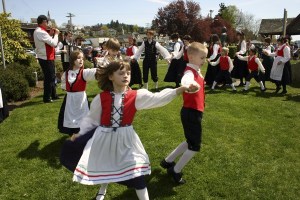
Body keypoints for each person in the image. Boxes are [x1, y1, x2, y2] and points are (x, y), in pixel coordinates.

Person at [60, 61, 198, 200]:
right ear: (110, 76)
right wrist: (80, 134)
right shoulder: (101, 98)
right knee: (106, 164)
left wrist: (180, 89)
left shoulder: (136, 96)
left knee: (137, 175)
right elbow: (91, 120)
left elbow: (158, 98)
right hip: (103, 138)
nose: (126, 76)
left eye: (128, 73)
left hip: (126, 140)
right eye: (121, 73)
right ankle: (103, 188)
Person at [160, 42, 208, 184]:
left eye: (205, 58)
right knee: (195, 146)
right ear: (191, 57)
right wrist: (189, 85)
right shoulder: (189, 72)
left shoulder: (196, 70)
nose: (204, 61)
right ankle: (175, 170)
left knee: (190, 141)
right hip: (191, 112)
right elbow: (185, 80)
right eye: (202, 58)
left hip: (192, 112)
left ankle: (167, 161)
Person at [57, 50, 97, 136]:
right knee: (70, 117)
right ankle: (73, 134)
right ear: (73, 60)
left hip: (80, 99)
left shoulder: (84, 73)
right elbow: (64, 84)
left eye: (82, 58)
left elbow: (95, 71)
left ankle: (81, 136)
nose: (81, 60)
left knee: (82, 118)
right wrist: (67, 88)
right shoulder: (66, 73)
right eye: (78, 58)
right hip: (69, 100)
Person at [34, 14, 60, 103]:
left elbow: (46, 41)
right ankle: (47, 98)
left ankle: (53, 95)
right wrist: (56, 35)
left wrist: (50, 34)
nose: (48, 23)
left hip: (47, 57)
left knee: (52, 77)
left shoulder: (41, 31)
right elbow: (53, 43)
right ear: (44, 22)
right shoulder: (40, 31)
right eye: (47, 22)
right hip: (46, 58)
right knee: (49, 78)